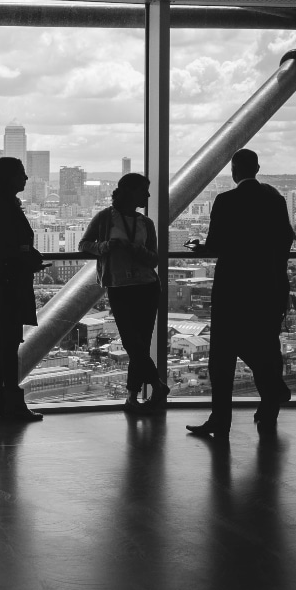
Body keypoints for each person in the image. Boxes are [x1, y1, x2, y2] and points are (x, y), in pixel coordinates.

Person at [186, 149, 295, 438]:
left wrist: (199, 248)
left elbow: (216, 245)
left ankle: (221, 420)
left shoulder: (226, 200)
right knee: (266, 344)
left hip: (233, 287)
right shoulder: (276, 200)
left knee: (223, 355)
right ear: (257, 168)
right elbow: (286, 239)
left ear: (234, 171)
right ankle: (270, 403)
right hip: (269, 287)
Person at [79, 173, 167, 414]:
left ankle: (132, 397)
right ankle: (156, 385)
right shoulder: (105, 218)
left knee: (139, 343)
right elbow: (84, 245)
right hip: (121, 286)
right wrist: (106, 246)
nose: (148, 195)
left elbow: (153, 259)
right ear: (130, 192)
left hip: (146, 286)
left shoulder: (146, 223)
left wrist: (132, 248)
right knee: (133, 342)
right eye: (143, 190)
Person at [0, 157, 48, 422]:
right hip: (9, 282)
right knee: (8, 343)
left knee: (5, 343)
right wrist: (27, 258)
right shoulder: (4, 205)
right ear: (9, 178)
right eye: (22, 174)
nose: (26, 179)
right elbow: (8, 246)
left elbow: (1, 245)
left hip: (1, 280)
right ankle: (10, 403)